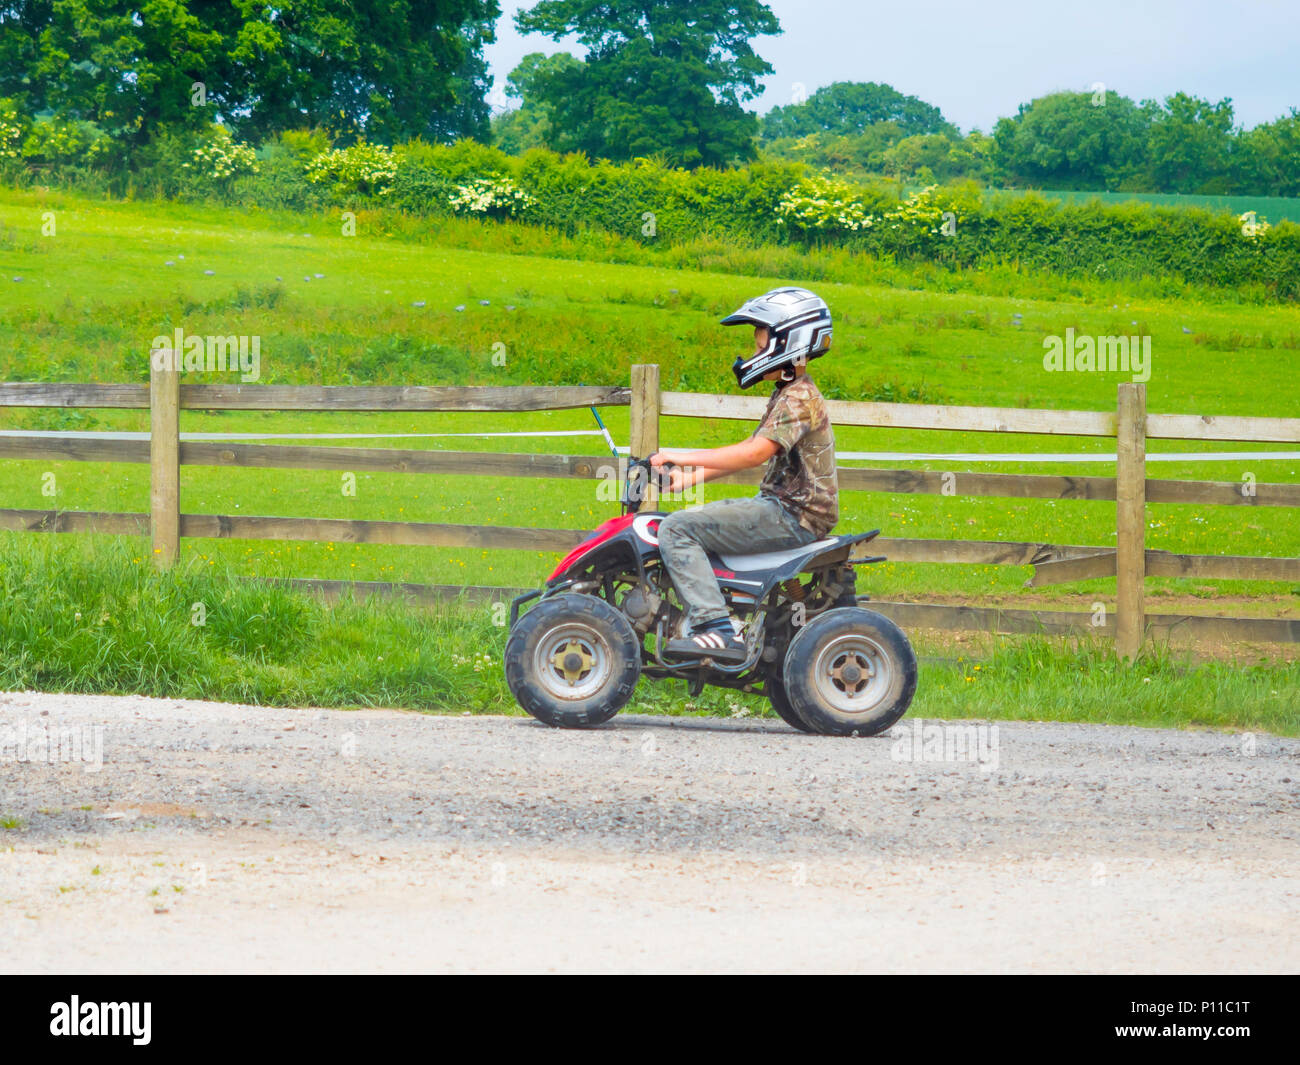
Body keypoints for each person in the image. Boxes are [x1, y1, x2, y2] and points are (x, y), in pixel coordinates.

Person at [649, 286, 839, 661]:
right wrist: (690, 478)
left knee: (677, 529)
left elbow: (754, 454)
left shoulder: (799, 398)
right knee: (685, 522)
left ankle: (715, 626)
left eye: (758, 345)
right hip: (781, 508)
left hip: (793, 516)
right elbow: (747, 451)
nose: (753, 354)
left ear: (788, 341)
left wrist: (681, 455)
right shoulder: (790, 393)